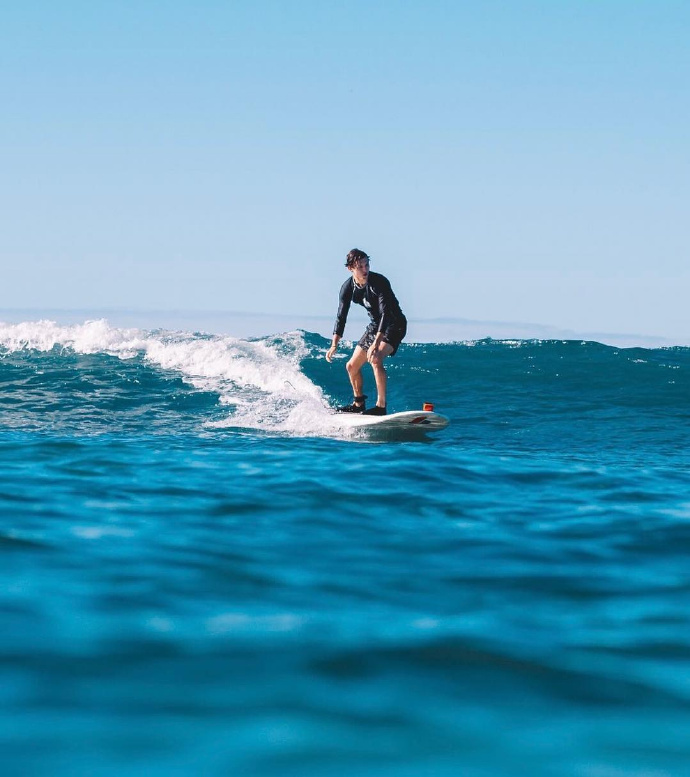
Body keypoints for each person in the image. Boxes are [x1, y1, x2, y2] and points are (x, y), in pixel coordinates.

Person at [326, 248, 407, 415]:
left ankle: (381, 407)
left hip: (394, 324)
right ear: (350, 269)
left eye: (367, 265)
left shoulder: (379, 282)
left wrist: (376, 343)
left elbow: (385, 313)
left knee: (375, 358)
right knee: (351, 366)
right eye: (360, 267)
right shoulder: (348, 288)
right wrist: (334, 344)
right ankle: (358, 404)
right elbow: (341, 316)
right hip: (375, 326)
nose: (365, 270)